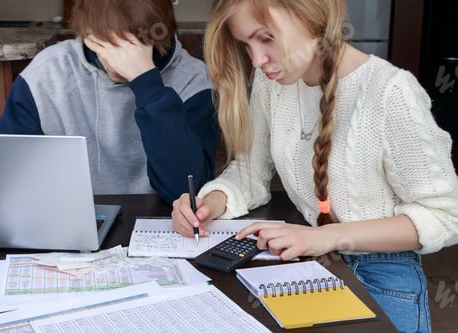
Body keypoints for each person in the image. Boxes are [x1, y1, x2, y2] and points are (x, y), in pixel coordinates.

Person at [171, 0, 458, 331]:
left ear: (310, 15)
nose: (257, 60)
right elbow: (252, 170)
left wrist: (329, 237)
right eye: (245, 44)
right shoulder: (271, 83)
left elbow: (446, 215)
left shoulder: (391, 92)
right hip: (310, 261)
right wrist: (211, 203)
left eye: (266, 38)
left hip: (382, 273)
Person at [0, 0, 218, 204]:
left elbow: (186, 193)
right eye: (108, 44)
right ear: (87, 33)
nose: (119, 59)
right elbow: (7, 180)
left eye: (134, 44)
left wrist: (146, 83)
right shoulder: (46, 75)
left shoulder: (194, 81)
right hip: (68, 219)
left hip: (162, 225)